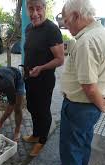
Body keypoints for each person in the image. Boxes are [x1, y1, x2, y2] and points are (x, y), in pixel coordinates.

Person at [60, 0, 105, 165]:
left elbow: (90, 87)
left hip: (80, 107)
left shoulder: (86, 41)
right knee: (83, 145)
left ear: (76, 16)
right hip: (89, 107)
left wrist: (101, 105)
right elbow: (103, 73)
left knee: (71, 153)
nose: (65, 26)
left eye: (66, 21)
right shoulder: (101, 33)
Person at [23, 0, 64, 156]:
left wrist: (41, 68)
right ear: (27, 10)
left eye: (38, 9)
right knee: (32, 107)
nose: (35, 14)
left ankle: (42, 140)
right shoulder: (28, 28)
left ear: (45, 8)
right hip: (29, 77)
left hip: (44, 80)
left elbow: (60, 59)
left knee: (43, 110)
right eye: (31, 9)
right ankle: (35, 134)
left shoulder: (52, 30)